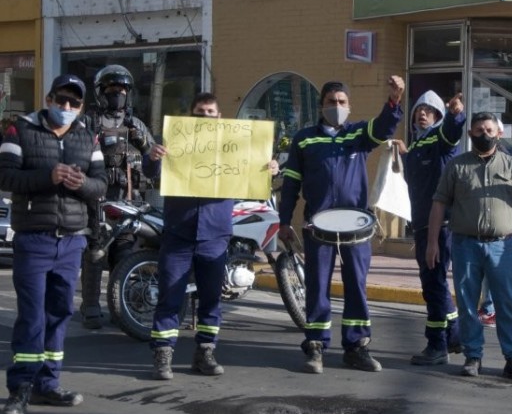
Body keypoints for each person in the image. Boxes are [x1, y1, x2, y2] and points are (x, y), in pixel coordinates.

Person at [143, 92, 280, 380]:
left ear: (219, 117)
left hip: (215, 235)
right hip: (179, 232)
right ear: (191, 116)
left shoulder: (235, 147)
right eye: (199, 112)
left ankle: (205, 353)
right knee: (170, 296)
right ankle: (163, 355)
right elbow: (151, 171)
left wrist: (269, 170)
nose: (205, 117)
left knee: (211, 299)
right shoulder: (175, 142)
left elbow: (253, 178)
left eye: (210, 112)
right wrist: (153, 157)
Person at [278, 76, 404, 374]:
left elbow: (383, 127)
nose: (337, 106)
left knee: (356, 287)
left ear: (349, 106)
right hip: (317, 226)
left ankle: (356, 347)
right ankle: (316, 346)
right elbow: (291, 184)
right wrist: (284, 220)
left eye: (342, 102)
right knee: (317, 286)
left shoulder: (358, 134)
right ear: (322, 105)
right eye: (332, 102)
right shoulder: (305, 138)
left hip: (356, 226)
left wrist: (394, 102)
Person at [0, 75, 107, 413]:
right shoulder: (21, 130)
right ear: (48, 98)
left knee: (59, 313)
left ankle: (48, 384)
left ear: (82, 107)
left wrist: (83, 183)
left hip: (71, 241)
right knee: (32, 316)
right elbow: (5, 176)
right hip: (34, 237)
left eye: (73, 103)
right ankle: (20, 388)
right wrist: (48, 177)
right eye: (61, 100)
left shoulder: (88, 137)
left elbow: (101, 185)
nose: (66, 107)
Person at [426, 111, 512, 381]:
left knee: (508, 304)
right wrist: (432, 242)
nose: (484, 135)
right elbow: (439, 203)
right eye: (479, 130)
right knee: (468, 304)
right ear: (470, 134)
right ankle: (473, 356)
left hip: (503, 247)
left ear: (499, 133)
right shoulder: (457, 166)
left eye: (489, 130)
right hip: (465, 245)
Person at [79, 64, 157, 330]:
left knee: (123, 254)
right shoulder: (89, 122)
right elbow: (77, 155)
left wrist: (144, 144)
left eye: (122, 89)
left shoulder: (136, 124)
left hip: (128, 201)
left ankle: (119, 305)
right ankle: (90, 305)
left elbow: (154, 162)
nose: (117, 94)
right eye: (112, 89)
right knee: (95, 252)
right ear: (101, 92)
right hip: (98, 201)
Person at [391, 90, 466, 366]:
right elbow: (413, 180)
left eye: (429, 110)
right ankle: (453, 336)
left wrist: (457, 115)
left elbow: (451, 134)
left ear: (438, 116)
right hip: (422, 223)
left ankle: (440, 342)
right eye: (418, 110)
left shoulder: (438, 139)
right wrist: (405, 154)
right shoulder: (419, 144)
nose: (422, 113)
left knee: (433, 283)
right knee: (433, 282)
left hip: (440, 224)